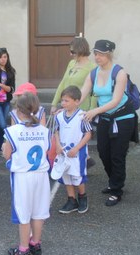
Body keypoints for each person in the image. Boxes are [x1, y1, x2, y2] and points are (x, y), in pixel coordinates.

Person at [80, 39, 137, 206]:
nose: (97, 57)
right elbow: (83, 92)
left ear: (109, 54)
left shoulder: (119, 73)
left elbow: (116, 100)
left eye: (101, 54)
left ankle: (116, 190)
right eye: (96, 53)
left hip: (123, 118)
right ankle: (114, 181)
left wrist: (94, 112)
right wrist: (69, 106)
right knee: (104, 153)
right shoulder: (93, 73)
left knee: (117, 155)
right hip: (105, 118)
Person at [2, 92, 51, 255]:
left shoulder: (12, 131)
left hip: (23, 176)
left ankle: (23, 249)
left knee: (24, 213)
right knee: (39, 211)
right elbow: (46, 152)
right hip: (41, 175)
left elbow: (7, 155)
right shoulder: (44, 131)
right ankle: (35, 243)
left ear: (18, 111)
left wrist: (4, 149)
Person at [50, 36, 97, 168]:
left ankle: (82, 162)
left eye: (72, 52)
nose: (70, 54)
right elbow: (63, 83)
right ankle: (85, 161)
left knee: (80, 136)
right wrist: (55, 103)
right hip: (69, 106)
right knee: (69, 134)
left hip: (82, 109)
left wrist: (91, 110)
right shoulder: (72, 64)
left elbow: (94, 91)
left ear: (80, 50)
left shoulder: (92, 67)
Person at [54, 86, 92, 214]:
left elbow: (88, 134)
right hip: (63, 153)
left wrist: (76, 148)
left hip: (77, 153)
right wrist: (58, 145)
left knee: (77, 176)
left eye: (66, 101)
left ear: (76, 101)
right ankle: (71, 200)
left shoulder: (82, 116)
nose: (63, 103)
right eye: (62, 101)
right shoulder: (59, 116)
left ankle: (82, 197)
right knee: (66, 176)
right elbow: (56, 131)